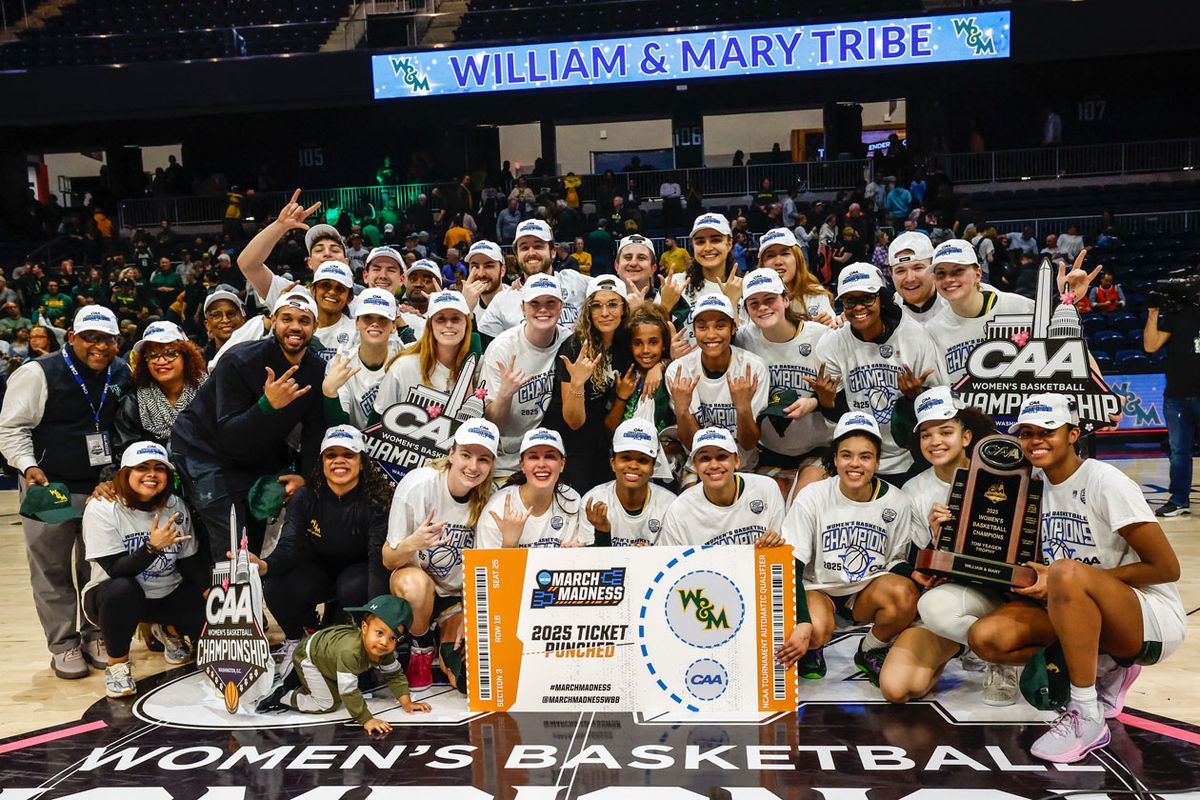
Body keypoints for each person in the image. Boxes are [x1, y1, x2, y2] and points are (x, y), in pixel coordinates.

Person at [968, 394, 1184, 763]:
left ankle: (1087, 713)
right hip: (1081, 609)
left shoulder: (1104, 481)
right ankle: (1106, 668)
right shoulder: (1034, 485)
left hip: (1149, 618)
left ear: (1073, 434)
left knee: (1067, 572)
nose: (1035, 441)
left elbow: (1166, 568)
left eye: (1047, 432)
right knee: (987, 638)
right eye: (1028, 433)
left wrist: (1074, 580)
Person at [0, 306, 131, 679]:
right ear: (71, 337)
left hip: (100, 488)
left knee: (98, 567)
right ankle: (63, 644)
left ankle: (97, 635)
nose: (100, 346)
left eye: (107, 339)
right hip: (49, 487)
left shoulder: (121, 371)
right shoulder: (37, 372)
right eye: (90, 337)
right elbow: (11, 428)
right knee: (51, 570)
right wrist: (28, 466)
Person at [171, 292, 325, 561]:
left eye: (304, 320)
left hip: (257, 454)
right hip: (204, 451)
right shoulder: (238, 361)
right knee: (232, 540)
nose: (295, 327)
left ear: (315, 326)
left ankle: (244, 597)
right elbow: (230, 435)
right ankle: (221, 595)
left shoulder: (316, 369)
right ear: (273, 321)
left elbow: (314, 430)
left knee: (251, 542)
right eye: (287, 318)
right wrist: (267, 406)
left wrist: (305, 476)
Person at [877, 387, 1006, 705]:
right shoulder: (914, 490)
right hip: (951, 600)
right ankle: (969, 643)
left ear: (966, 436)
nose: (935, 442)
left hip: (1005, 595)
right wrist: (938, 539)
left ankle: (1001, 657)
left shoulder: (1002, 475)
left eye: (945, 431)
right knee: (897, 688)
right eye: (926, 435)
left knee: (938, 609)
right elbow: (924, 571)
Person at [777, 412, 920, 686]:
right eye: (846, 455)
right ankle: (814, 646)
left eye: (865, 456)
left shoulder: (898, 501)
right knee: (816, 630)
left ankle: (869, 650)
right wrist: (803, 622)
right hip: (819, 588)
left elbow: (897, 562)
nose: (855, 464)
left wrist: (916, 585)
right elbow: (790, 563)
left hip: (865, 590)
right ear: (834, 459)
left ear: (878, 461)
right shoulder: (813, 495)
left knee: (904, 593)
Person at [243, 425, 391, 673]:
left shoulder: (377, 500)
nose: (339, 461)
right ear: (322, 461)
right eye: (331, 455)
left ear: (362, 462)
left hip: (358, 574)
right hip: (318, 572)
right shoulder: (305, 497)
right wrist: (265, 565)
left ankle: (359, 642)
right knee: (275, 584)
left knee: (352, 585)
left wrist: (378, 620)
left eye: (348, 454)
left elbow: (377, 561)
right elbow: (289, 547)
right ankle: (297, 637)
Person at [81, 442, 205, 697]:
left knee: (211, 598)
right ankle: (117, 667)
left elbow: (189, 561)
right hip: (115, 597)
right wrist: (151, 547)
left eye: (159, 468)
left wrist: (210, 594)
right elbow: (115, 569)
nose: (151, 474)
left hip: (166, 591)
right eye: (142, 468)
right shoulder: (102, 507)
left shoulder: (175, 506)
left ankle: (169, 630)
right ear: (125, 473)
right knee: (122, 590)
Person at [384, 419, 498, 691]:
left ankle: (442, 645)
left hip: (457, 596)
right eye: (466, 455)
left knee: (465, 678)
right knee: (415, 585)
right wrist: (414, 542)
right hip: (418, 587)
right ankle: (421, 646)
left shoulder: (491, 496)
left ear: (492, 464)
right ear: (451, 454)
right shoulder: (418, 485)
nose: (473, 466)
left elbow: (486, 566)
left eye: (483, 459)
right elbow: (388, 560)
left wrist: (473, 615)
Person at [814, 264, 946, 483]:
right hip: (861, 457)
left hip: (910, 456)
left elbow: (938, 406)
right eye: (850, 301)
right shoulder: (831, 343)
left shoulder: (915, 336)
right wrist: (826, 403)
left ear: (882, 299)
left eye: (867, 298)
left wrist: (917, 395)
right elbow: (839, 417)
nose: (858, 307)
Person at [255, 594, 432, 731]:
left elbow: (394, 675)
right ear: (364, 628)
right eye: (379, 633)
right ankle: (284, 696)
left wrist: (406, 702)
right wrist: (366, 719)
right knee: (328, 704)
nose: (384, 642)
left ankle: (303, 684)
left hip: (329, 652)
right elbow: (349, 691)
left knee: (339, 686)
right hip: (310, 657)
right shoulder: (351, 652)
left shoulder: (384, 651)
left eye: (393, 637)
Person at [734, 268, 831, 473]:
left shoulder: (820, 335)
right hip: (768, 449)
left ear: (786, 300)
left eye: (770, 299)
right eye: (754, 303)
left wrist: (813, 402)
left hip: (819, 446)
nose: (762, 308)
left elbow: (840, 393)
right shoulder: (743, 339)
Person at [543, 274, 631, 493]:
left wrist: (660, 365)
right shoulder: (574, 348)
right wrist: (577, 384)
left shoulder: (625, 343)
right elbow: (573, 422)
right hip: (573, 445)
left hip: (605, 441)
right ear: (588, 312)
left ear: (624, 309)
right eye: (596, 306)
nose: (605, 313)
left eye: (612, 304)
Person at [665, 292, 768, 470]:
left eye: (720, 326)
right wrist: (682, 411)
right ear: (694, 330)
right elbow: (691, 445)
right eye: (702, 327)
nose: (711, 335)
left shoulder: (753, 368)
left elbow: (749, 443)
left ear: (733, 328)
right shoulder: (678, 372)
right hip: (699, 467)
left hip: (743, 466)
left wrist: (743, 408)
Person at [480, 276, 568, 475]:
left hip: (548, 452)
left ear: (561, 306)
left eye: (550, 303)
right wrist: (505, 394)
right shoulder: (502, 349)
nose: (543, 310)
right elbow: (492, 425)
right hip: (505, 458)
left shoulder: (569, 341)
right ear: (522, 308)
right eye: (534, 303)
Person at [923, 239, 1035, 385]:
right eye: (941, 274)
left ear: (978, 274)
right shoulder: (933, 330)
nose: (949, 279)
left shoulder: (1021, 308)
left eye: (958, 271)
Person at [658, 426, 785, 546]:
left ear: (737, 460)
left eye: (722, 456)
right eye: (705, 458)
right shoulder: (679, 510)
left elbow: (782, 548)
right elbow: (671, 562)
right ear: (694, 465)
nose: (714, 465)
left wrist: (775, 542)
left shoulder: (766, 488)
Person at [375, 289, 479, 418]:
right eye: (440, 319)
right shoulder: (403, 366)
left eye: (456, 319)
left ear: (466, 324)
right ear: (430, 325)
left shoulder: (477, 365)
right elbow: (377, 421)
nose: (448, 325)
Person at [476, 428, 587, 548]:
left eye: (550, 456)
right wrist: (509, 544)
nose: (541, 464)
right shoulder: (498, 508)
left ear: (562, 464)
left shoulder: (571, 499)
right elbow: (487, 565)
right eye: (534, 457)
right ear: (522, 465)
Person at [1143, 284, 1200, 517]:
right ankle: (1179, 500)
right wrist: (1153, 312)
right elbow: (1150, 345)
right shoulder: (1177, 314)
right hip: (1176, 395)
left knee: (1180, 451)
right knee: (1179, 451)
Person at [113, 321, 206, 457]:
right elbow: (126, 453)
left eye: (170, 353)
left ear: (186, 356)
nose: (161, 362)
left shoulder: (209, 391)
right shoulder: (133, 403)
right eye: (153, 355)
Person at [579, 419, 675, 547]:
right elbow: (590, 563)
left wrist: (651, 557)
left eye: (642, 460)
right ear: (612, 462)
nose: (633, 465)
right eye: (626, 458)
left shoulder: (670, 505)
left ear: (653, 467)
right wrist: (602, 533)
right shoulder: (594, 500)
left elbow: (674, 559)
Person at [321, 289, 401, 429]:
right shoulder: (340, 365)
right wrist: (329, 392)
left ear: (393, 326)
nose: (375, 324)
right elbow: (339, 428)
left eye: (383, 318)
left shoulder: (403, 358)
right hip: (352, 445)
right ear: (357, 323)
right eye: (368, 317)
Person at [659, 213, 739, 332]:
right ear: (693, 245)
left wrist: (733, 303)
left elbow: (747, 340)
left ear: (729, 244)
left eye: (716, 240)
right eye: (700, 242)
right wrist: (665, 308)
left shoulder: (744, 287)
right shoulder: (674, 284)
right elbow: (653, 336)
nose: (707, 248)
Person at [755, 228, 834, 324]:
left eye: (785, 254)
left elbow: (834, 331)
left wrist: (829, 325)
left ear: (798, 260)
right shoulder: (752, 299)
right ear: (762, 264)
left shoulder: (816, 295)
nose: (778, 262)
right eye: (770, 256)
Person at [460, 240, 513, 345]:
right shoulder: (463, 303)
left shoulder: (517, 300)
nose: (480, 274)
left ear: (502, 270)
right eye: (475, 267)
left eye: (488, 266)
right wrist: (465, 310)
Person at [887, 231, 945, 324]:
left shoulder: (954, 304)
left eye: (918, 268)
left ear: (934, 268)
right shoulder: (888, 313)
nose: (910, 278)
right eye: (900, 271)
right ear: (891, 274)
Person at [201, 287, 246, 363]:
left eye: (231, 314)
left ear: (243, 319)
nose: (225, 320)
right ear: (207, 325)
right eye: (216, 315)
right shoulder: (201, 361)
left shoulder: (260, 350)